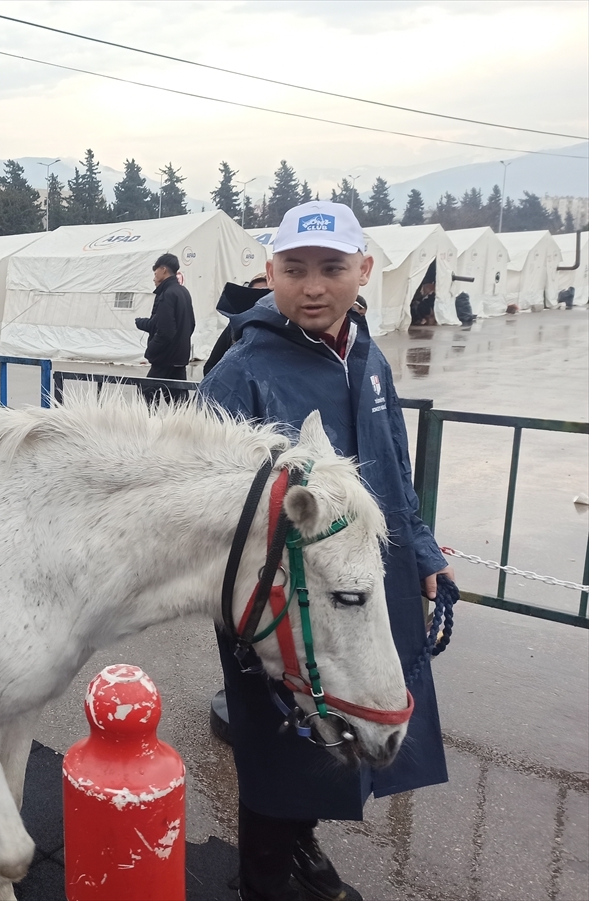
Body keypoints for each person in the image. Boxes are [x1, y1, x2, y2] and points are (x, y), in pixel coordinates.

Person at [196, 201, 452, 901]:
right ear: (267, 272)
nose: (314, 287)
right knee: (277, 747)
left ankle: (302, 840)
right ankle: (265, 881)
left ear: (363, 270)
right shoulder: (240, 373)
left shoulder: (366, 358)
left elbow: (395, 467)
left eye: (332, 268)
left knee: (345, 721)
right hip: (282, 605)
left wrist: (424, 554)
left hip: (365, 583)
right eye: (296, 269)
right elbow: (210, 510)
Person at [134, 252, 194, 404]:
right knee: (178, 401)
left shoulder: (167, 294)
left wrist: (151, 351)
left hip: (165, 358)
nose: (154, 277)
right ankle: (182, 427)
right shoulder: (183, 292)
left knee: (147, 392)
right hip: (180, 356)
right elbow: (191, 324)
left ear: (163, 270)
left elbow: (165, 331)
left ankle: (150, 424)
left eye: (155, 273)